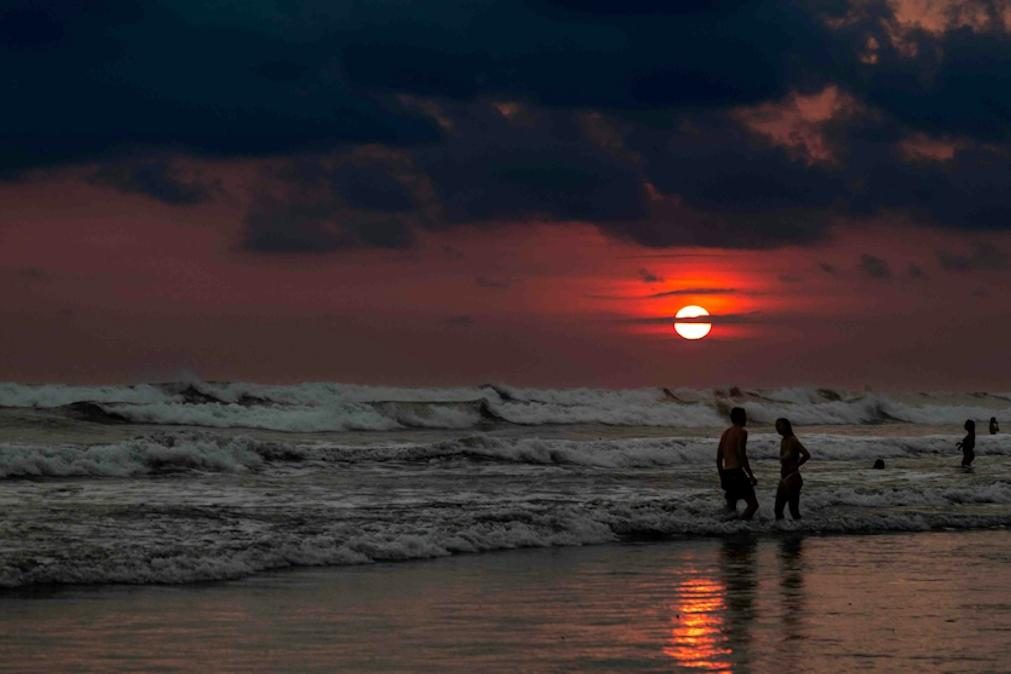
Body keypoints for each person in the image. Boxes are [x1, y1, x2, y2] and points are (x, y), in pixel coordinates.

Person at [716, 406, 759, 520]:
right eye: (745, 416)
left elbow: (719, 458)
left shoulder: (726, 433)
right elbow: (741, 454)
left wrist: (722, 477)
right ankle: (740, 525)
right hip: (736, 473)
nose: (746, 418)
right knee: (753, 505)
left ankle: (727, 529)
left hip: (727, 473)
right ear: (742, 417)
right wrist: (751, 475)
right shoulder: (742, 432)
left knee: (731, 508)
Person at [774, 418, 811, 520]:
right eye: (776, 426)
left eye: (779, 425)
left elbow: (806, 455)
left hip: (793, 478)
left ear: (786, 426)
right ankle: (784, 529)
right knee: (778, 510)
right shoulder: (783, 440)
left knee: (793, 510)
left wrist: (797, 465)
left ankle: (801, 531)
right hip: (784, 477)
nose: (777, 428)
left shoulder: (792, 439)